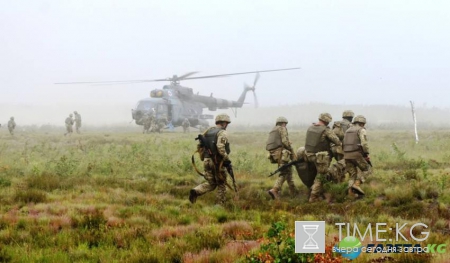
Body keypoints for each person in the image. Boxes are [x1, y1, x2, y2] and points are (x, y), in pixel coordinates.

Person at [189, 113, 232, 205]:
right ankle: (219, 206)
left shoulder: (208, 131)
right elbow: (220, 147)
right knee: (221, 184)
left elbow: (200, 147)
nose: (227, 125)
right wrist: (226, 160)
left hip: (206, 160)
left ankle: (196, 191)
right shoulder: (222, 132)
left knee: (211, 183)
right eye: (227, 123)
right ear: (224, 123)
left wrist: (204, 158)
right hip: (217, 162)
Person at [304, 113, 342, 202]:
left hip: (308, 154)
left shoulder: (310, 127)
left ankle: (315, 191)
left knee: (315, 173)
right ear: (328, 121)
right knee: (321, 175)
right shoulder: (326, 130)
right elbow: (336, 141)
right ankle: (313, 196)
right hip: (319, 157)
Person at [266, 116, 297, 199]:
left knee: (288, 172)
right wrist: (293, 154)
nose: (285, 126)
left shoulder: (273, 130)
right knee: (284, 172)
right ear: (283, 123)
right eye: (285, 124)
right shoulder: (282, 129)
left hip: (274, 155)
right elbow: (285, 142)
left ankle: (293, 193)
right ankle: (275, 190)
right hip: (281, 154)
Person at [343, 115, 372, 197]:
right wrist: (366, 154)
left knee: (353, 174)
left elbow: (343, 143)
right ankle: (357, 184)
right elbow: (364, 144)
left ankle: (350, 193)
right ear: (362, 123)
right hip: (356, 154)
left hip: (346, 155)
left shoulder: (347, 131)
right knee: (367, 169)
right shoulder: (361, 130)